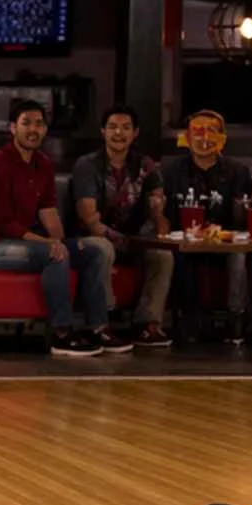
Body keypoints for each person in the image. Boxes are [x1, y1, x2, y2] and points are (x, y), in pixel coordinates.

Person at [0, 99, 123, 357]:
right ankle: (61, 333)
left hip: (28, 242)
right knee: (54, 255)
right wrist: (50, 245)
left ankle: (98, 327)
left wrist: (59, 240)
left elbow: (48, 210)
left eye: (39, 124)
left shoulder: (43, 163)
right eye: (26, 123)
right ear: (12, 128)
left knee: (95, 252)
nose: (33, 129)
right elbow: (2, 223)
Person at [70, 105, 172, 347]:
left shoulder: (146, 166)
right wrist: (124, 243)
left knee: (162, 254)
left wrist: (158, 213)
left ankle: (147, 325)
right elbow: (89, 220)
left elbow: (161, 226)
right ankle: (101, 324)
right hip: (89, 239)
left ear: (135, 133)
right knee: (103, 247)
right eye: (113, 127)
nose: (119, 133)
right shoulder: (87, 165)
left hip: (131, 239)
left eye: (126, 128)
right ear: (103, 131)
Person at [157, 110, 252, 340]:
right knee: (179, 253)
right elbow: (167, 216)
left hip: (224, 241)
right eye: (197, 132)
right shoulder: (170, 171)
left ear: (222, 138)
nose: (204, 139)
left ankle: (236, 318)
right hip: (185, 240)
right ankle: (188, 319)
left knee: (239, 253)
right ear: (187, 138)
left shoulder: (238, 171)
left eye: (211, 132)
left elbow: (241, 222)